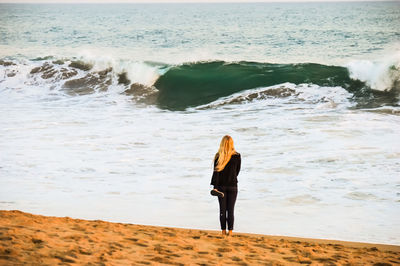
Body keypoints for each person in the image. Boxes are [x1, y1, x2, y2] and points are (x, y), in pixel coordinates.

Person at [210, 135, 241, 236]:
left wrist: (215, 186)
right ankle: (230, 232)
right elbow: (237, 171)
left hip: (221, 187)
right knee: (230, 210)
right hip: (233, 186)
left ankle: (223, 231)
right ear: (232, 143)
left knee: (222, 210)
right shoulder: (237, 156)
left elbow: (216, 173)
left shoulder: (218, 156)